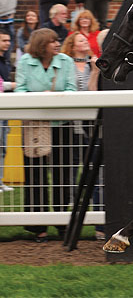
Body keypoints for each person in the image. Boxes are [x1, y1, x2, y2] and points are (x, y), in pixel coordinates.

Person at [15, 28, 76, 242]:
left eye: (57, 40)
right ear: (41, 45)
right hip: (35, 125)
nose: (57, 44)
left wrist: (55, 98)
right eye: (52, 41)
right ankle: (38, 226)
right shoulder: (24, 62)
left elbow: (72, 89)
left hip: (62, 125)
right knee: (35, 175)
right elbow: (20, 90)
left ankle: (61, 224)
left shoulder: (66, 61)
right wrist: (41, 98)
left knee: (63, 174)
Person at [61, 32, 103, 239]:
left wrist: (94, 71)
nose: (85, 42)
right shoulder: (65, 64)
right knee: (70, 169)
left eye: (87, 40)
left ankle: (95, 217)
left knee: (91, 172)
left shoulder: (93, 64)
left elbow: (91, 93)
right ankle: (70, 204)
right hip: (70, 126)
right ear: (72, 45)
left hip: (88, 127)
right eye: (81, 40)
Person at [0, 29, 16, 193]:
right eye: (3, 40)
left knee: (2, 147)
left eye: (8, 40)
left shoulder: (4, 61)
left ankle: (0, 181)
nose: (7, 43)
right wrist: (12, 86)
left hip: (4, 110)